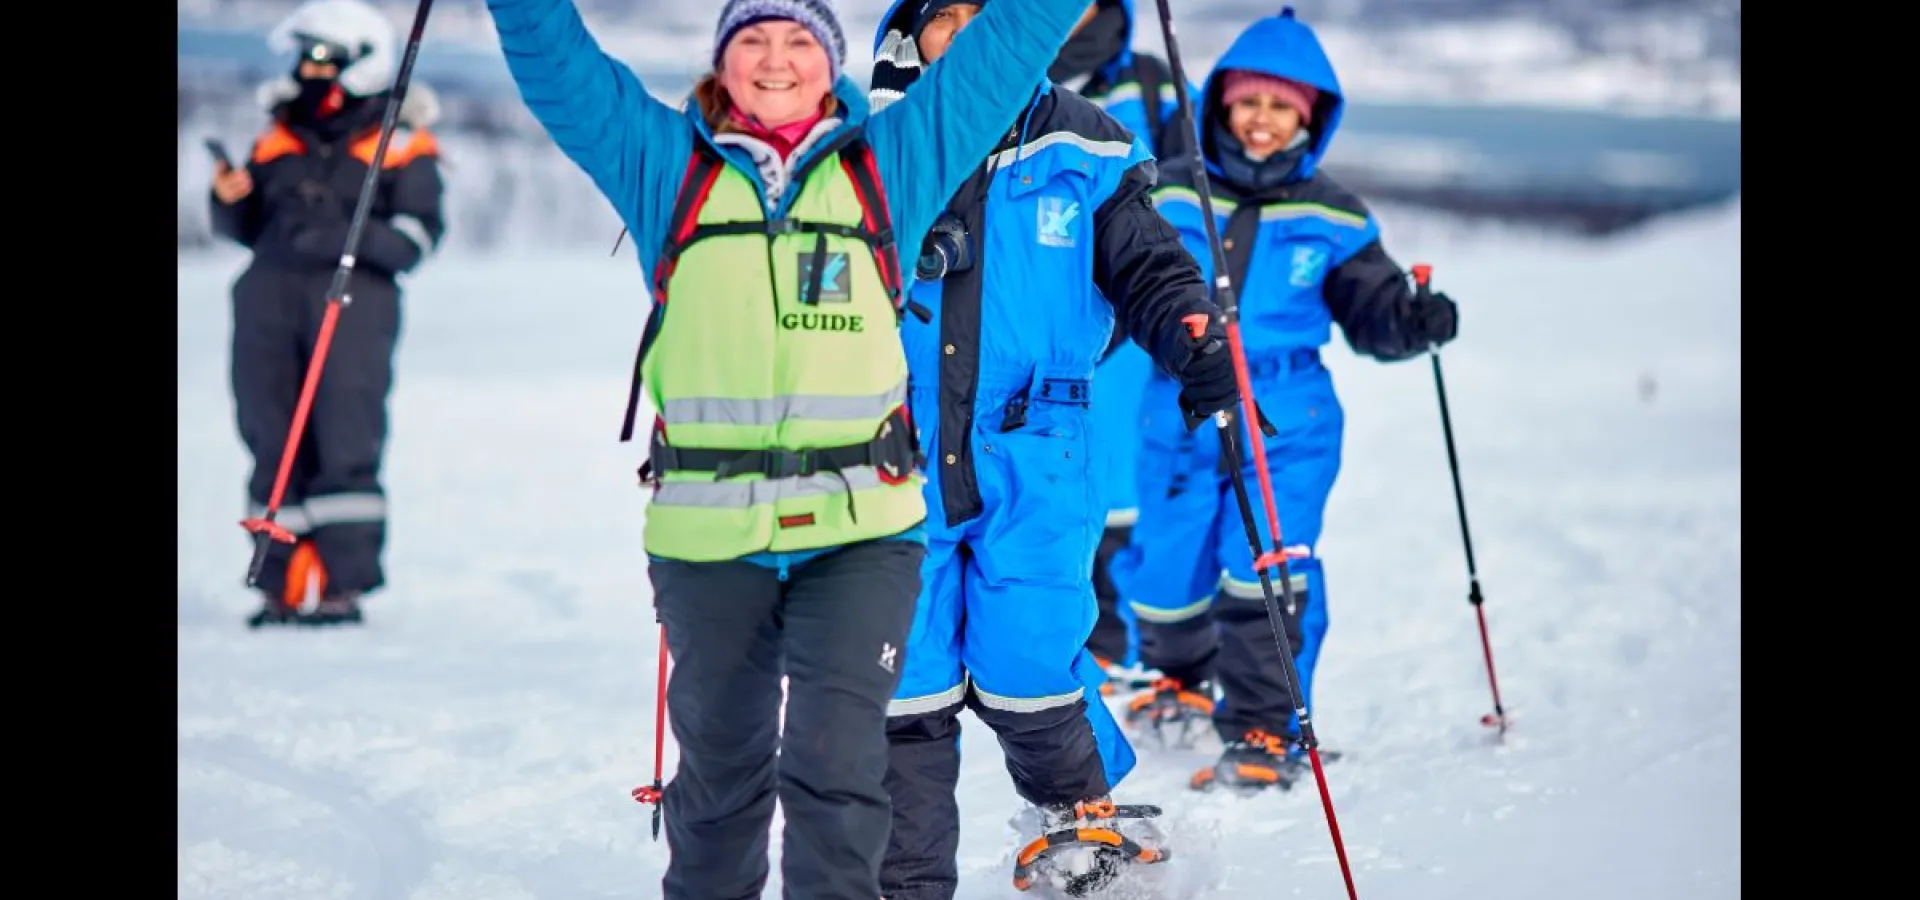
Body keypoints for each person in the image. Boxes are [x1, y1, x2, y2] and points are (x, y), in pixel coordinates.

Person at [479, 1, 1115, 897]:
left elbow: (1004, 49)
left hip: (859, 536)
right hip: (710, 539)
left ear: (835, 64)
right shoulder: (666, 168)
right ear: (719, 63)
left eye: (798, 43)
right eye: (753, 40)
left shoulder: (890, 163)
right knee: (721, 779)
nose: (776, 61)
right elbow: (558, 66)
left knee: (838, 769)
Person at [868, 2, 1239, 896]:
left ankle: (1078, 812)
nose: (962, 33)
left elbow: (1150, 266)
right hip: (891, 449)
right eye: (940, 16)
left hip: (1037, 447)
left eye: (979, 13)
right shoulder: (870, 143)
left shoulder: (1089, 144)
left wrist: (1193, 336)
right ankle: (903, 877)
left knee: (1031, 649)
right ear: (904, 33)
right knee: (901, 671)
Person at [1114, 6, 1460, 792]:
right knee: (1167, 571)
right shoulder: (1167, 193)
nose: (1262, 120)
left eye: (1282, 106)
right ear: (1220, 106)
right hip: (1180, 408)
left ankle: (1268, 725)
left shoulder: (1334, 215)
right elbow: (1122, 286)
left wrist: (1412, 320)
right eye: (1248, 102)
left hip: (1287, 416)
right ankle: (1177, 675)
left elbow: (1373, 313)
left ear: (1312, 117)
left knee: (1265, 569)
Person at [212, 0, 447, 628]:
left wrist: (342, 240)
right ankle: (279, 583)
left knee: (346, 437)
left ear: (361, 65)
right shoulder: (276, 136)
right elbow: (246, 227)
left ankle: (341, 586)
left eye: (325, 59)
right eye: (305, 58)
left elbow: (417, 239)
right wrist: (227, 202)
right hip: (266, 299)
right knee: (271, 437)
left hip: (352, 306)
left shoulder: (400, 143)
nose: (311, 72)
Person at [1047, 0, 1199, 690]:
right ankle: (1086, 638)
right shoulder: (1007, 74)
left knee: (1133, 476)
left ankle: (1137, 644)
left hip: (1134, 308)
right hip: (1045, 306)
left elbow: (1201, 178)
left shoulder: (1149, 81)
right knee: (1059, 473)